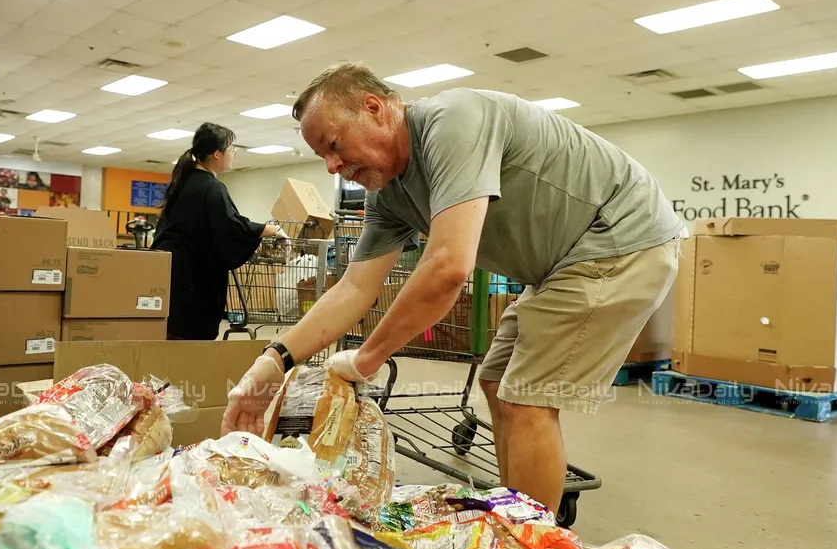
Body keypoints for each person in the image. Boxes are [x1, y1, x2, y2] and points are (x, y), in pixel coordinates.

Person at [222, 63, 682, 513]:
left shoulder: (452, 121)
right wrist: (272, 362)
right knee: (497, 381)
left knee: (526, 398)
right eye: (323, 155)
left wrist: (367, 358)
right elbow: (354, 288)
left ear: (374, 107)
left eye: (334, 144)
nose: (332, 166)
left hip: (617, 240)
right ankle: (516, 517)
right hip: (561, 266)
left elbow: (448, 267)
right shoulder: (390, 196)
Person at [150, 122, 287, 341]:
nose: (233, 154)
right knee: (191, 341)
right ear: (217, 154)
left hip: (170, 274)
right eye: (231, 149)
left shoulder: (183, 182)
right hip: (194, 281)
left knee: (171, 337)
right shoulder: (211, 187)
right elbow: (229, 226)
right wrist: (267, 229)